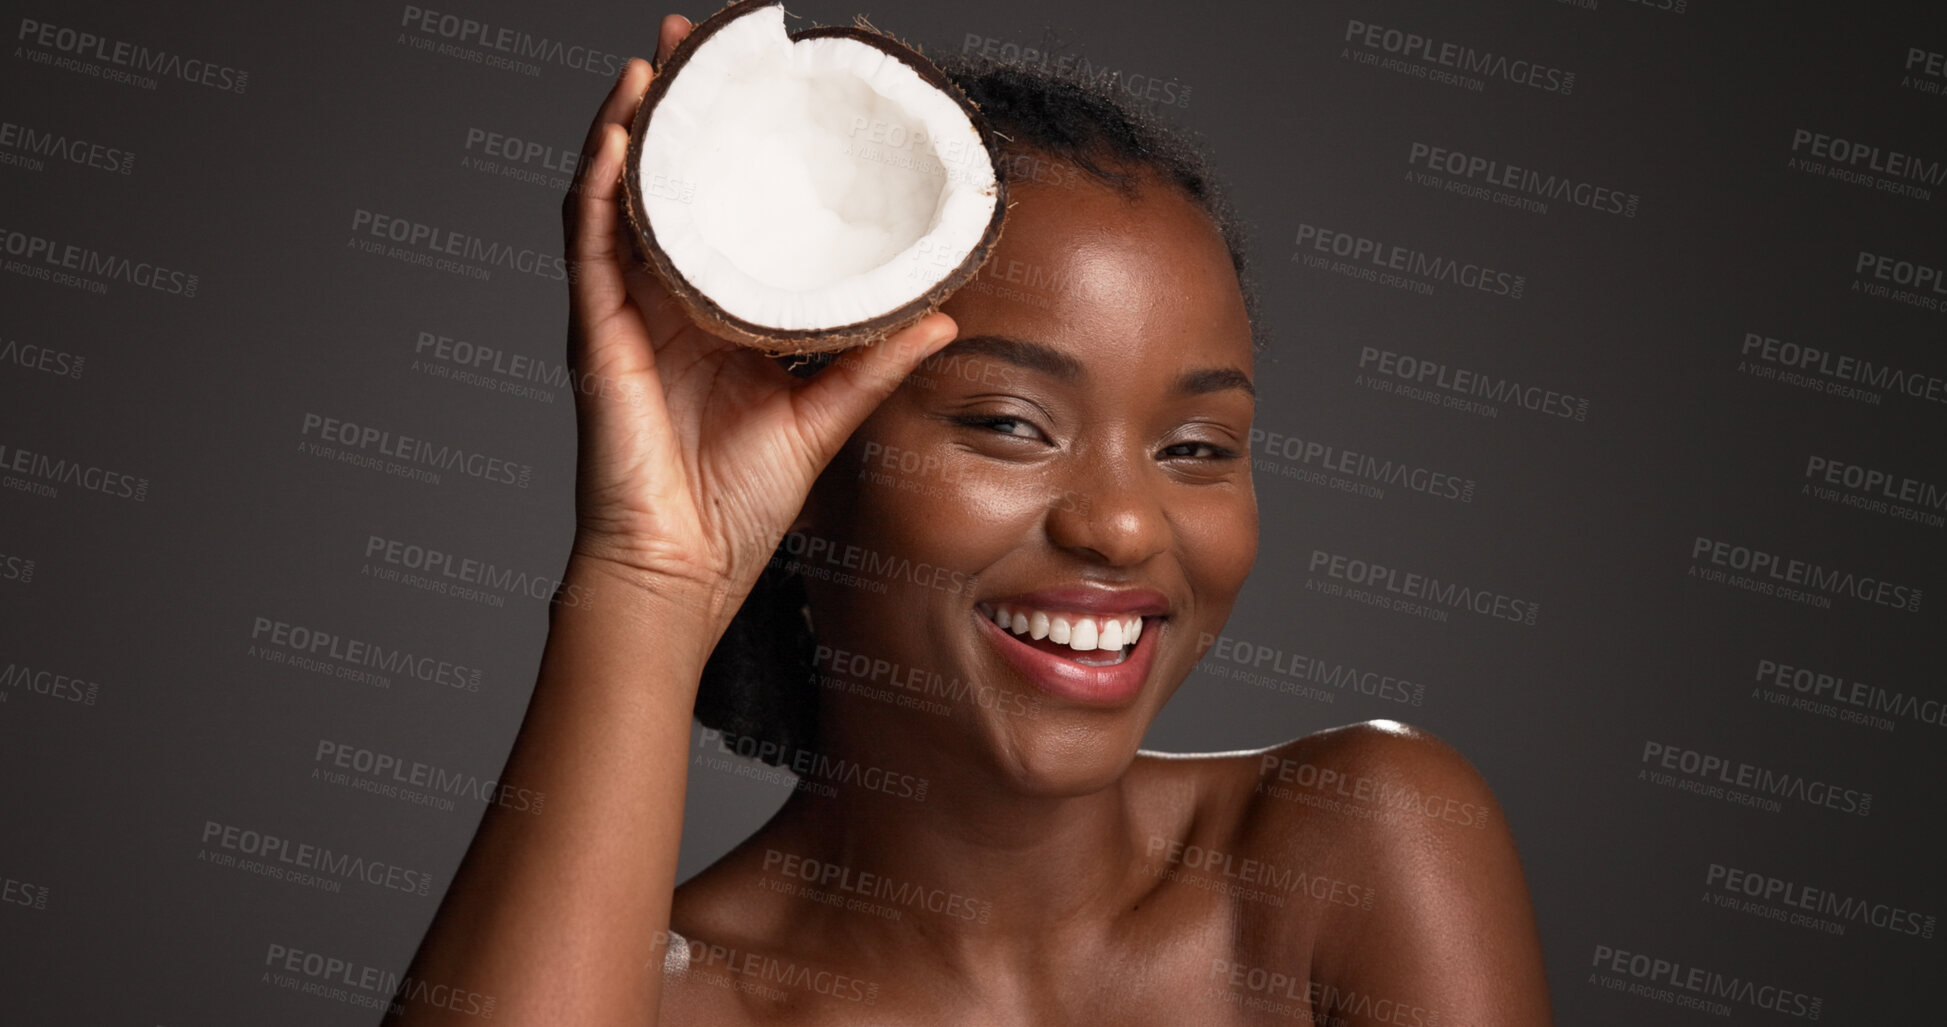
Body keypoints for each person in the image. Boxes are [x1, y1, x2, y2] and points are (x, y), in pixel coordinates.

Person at [388, 13, 1553, 1026]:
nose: (1123, 527)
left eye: (1196, 449)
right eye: (1009, 424)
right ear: (814, 466)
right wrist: (651, 571)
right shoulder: (672, 1000)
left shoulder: (1358, 853)